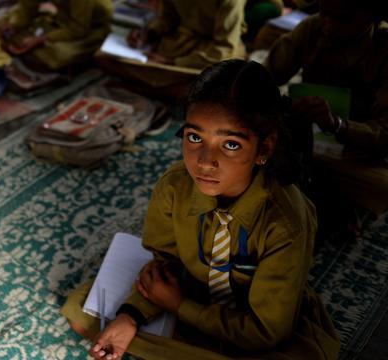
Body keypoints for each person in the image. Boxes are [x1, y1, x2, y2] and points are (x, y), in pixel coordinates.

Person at [61, 60, 340, 359]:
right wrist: (131, 315)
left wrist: (179, 307)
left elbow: (267, 331)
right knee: (82, 313)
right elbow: (164, 262)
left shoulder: (285, 223)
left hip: (255, 317)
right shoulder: (174, 186)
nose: (205, 161)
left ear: (265, 149)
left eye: (231, 144)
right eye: (195, 137)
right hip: (194, 289)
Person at [265, 0, 388, 223]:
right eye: (324, 13)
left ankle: (307, 188)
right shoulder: (312, 28)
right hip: (302, 144)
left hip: (354, 156)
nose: (328, 23)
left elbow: (384, 134)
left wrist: (337, 124)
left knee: (383, 186)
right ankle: (324, 196)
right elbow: (263, 78)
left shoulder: (384, 48)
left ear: (372, 16)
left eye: (343, 18)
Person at [97, 0, 247, 99]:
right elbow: (167, 18)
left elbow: (225, 47)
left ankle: (143, 89)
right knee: (103, 58)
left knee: (216, 84)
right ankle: (165, 89)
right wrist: (149, 33)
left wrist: (174, 62)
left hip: (211, 51)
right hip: (179, 42)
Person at [0, 0, 113, 71]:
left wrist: (42, 39)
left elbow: (78, 29)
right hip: (61, 20)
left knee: (59, 54)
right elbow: (27, 8)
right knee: (1, 23)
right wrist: (14, 25)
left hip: (90, 28)